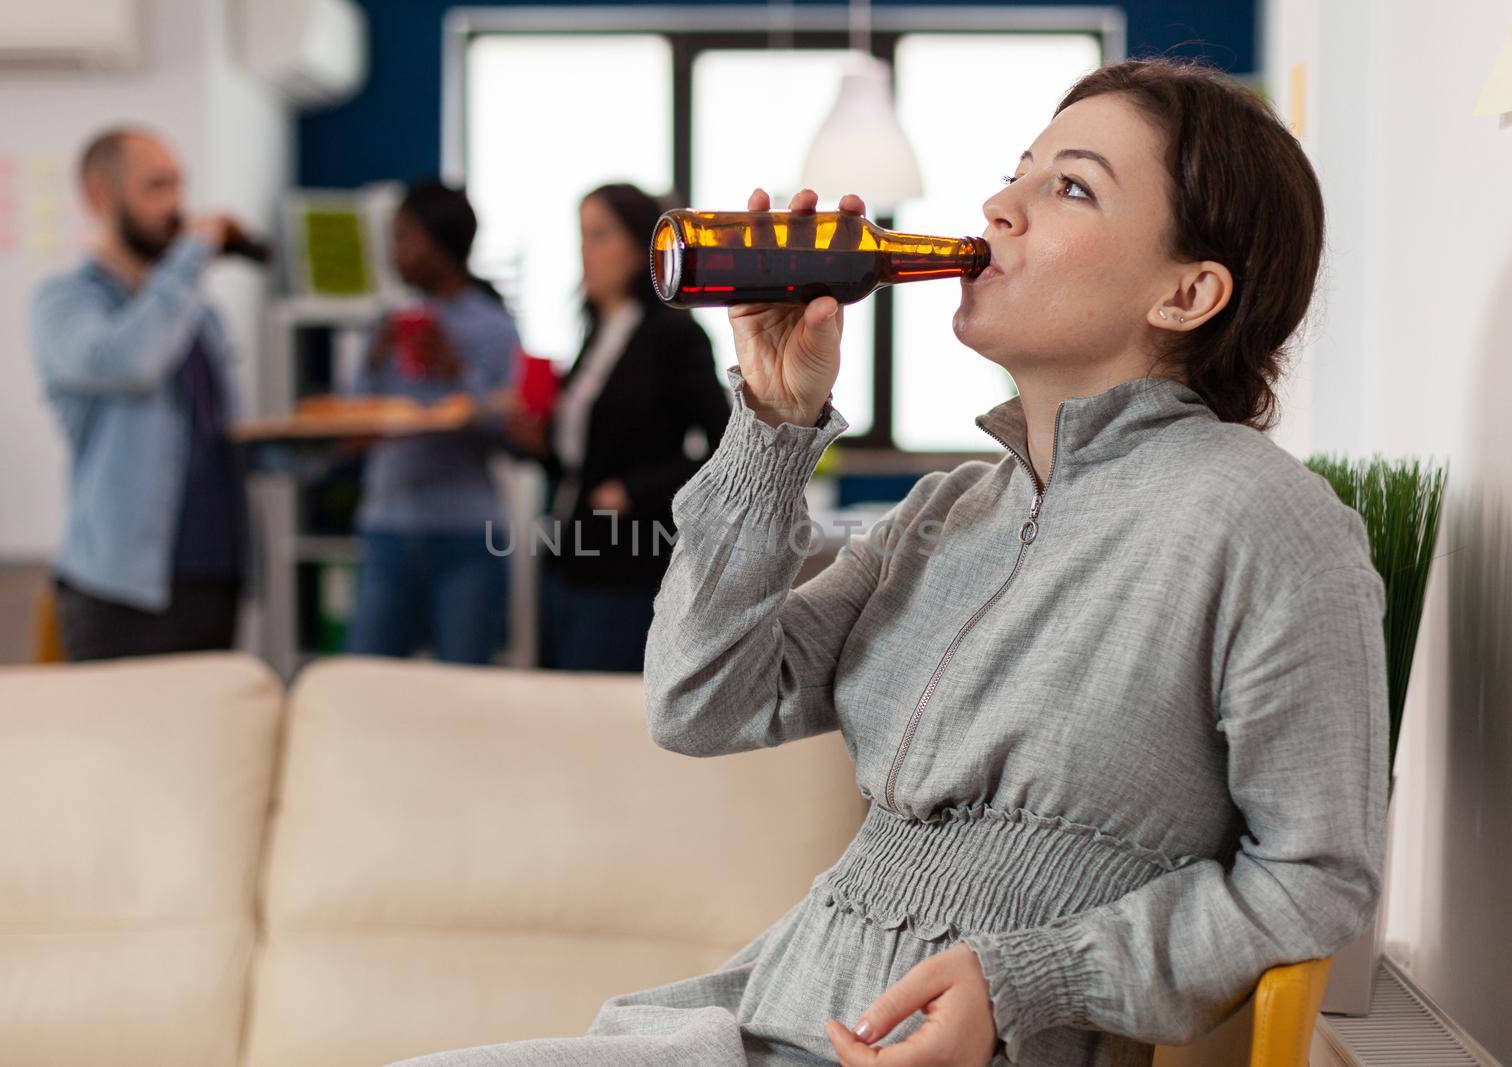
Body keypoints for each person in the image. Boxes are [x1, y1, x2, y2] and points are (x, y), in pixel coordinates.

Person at [395, 59, 1388, 1067]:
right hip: (767, 1018)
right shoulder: (947, 510)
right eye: (1017, 173)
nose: (999, 207)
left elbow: (1314, 877)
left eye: (1070, 186)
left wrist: (1024, 980)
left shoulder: (1264, 521)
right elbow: (699, 702)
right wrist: (771, 426)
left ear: (1187, 291)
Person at [32, 127, 250, 662]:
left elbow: (218, 435)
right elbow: (131, 360)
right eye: (156, 187)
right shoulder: (67, 304)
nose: (176, 207)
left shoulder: (197, 315)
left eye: (178, 185)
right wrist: (192, 257)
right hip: (120, 594)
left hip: (212, 578)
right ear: (100, 197)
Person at [516, 182, 730, 672]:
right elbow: (583, 453)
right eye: (582, 237)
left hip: (630, 558)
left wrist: (634, 489)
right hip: (568, 549)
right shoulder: (596, 333)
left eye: (600, 236)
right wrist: (537, 443)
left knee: (598, 714)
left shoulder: (674, 335)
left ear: (640, 246)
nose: (585, 253)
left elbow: (725, 448)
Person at [345, 179, 520, 664]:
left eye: (403, 237)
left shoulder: (492, 326)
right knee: (367, 683)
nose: (392, 252)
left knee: (464, 694)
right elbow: (352, 428)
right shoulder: (386, 323)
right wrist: (375, 362)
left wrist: (454, 369)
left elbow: (510, 434)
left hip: (466, 536)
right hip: (385, 529)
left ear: (441, 243)